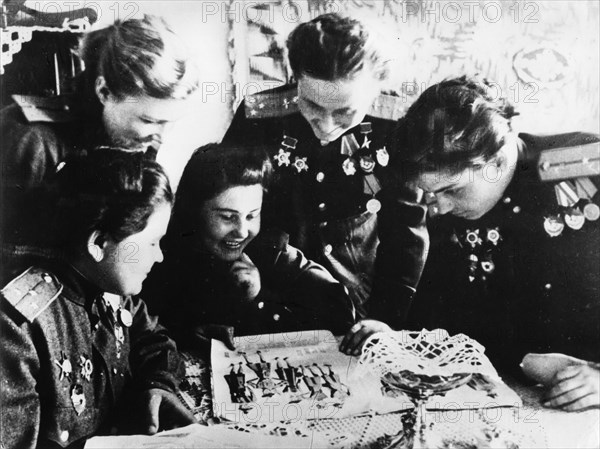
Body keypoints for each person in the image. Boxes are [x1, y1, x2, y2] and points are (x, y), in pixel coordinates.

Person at [393, 75, 599, 412]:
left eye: (451, 190)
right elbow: (438, 321)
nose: (439, 207)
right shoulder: (451, 207)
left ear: (499, 160)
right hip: (513, 395)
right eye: (430, 193)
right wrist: (523, 358)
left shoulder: (586, 165)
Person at [222, 13, 428, 348]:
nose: (327, 125)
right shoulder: (259, 117)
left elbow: (406, 232)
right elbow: (221, 206)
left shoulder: (397, 126)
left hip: (358, 293)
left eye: (345, 111)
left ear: (376, 90)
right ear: (295, 79)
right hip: (271, 285)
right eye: (312, 105)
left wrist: (386, 319)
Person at [0, 150, 195, 449]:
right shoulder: (18, 325)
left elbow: (153, 340)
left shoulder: (107, 284)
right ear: (98, 244)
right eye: (152, 242)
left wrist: (157, 385)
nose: (159, 256)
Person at [0, 14, 198, 270]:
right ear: (103, 91)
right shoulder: (32, 139)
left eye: (170, 122)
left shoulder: (136, 140)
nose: (162, 136)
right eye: (150, 121)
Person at [143, 143, 355, 353]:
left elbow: (340, 312)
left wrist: (260, 298)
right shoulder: (157, 255)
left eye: (252, 215)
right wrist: (185, 336)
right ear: (194, 210)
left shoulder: (270, 251)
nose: (242, 232)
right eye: (227, 217)